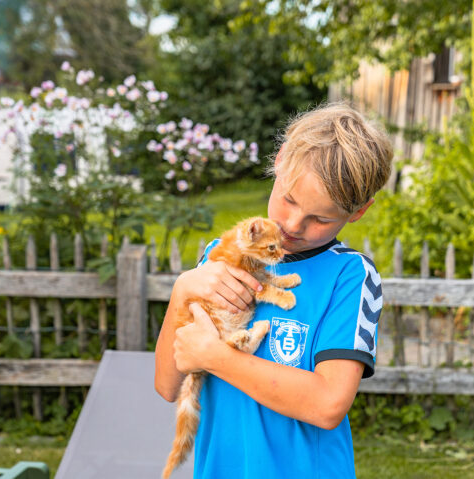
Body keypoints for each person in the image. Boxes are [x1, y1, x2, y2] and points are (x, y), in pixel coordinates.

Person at [155, 102, 393, 478]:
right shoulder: (220, 256)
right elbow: (168, 385)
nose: (292, 225)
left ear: (358, 212)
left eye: (320, 218)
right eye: (289, 199)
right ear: (280, 161)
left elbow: (328, 404)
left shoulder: (349, 276)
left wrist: (219, 358)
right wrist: (182, 291)